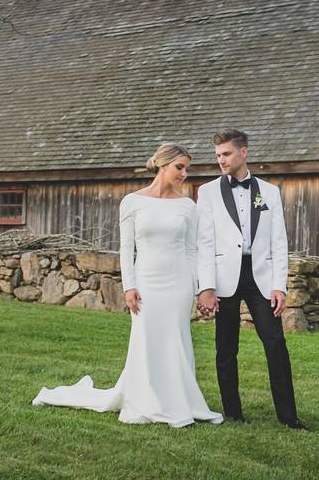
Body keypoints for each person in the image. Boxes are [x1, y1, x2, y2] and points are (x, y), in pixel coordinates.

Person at [32, 143, 223, 428]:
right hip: (147, 281)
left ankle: (179, 401)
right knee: (145, 339)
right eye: (179, 167)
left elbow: (192, 250)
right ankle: (145, 401)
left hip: (179, 282)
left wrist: (197, 287)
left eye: (187, 168)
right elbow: (126, 248)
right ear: (162, 165)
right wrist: (128, 286)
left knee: (176, 340)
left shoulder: (187, 206)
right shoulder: (132, 201)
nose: (184, 173)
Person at [196, 129, 306, 429]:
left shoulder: (268, 192)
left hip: (261, 278)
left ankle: (289, 417)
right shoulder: (206, 192)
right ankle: (233, 413)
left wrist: (278, 286)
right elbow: (204, 243)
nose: (221, 160)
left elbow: (278, 241)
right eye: (218, 155)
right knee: (226, 348)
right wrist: (206, 287)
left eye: (226, 154)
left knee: (275, 344)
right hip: (224, 279)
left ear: (243, 152)